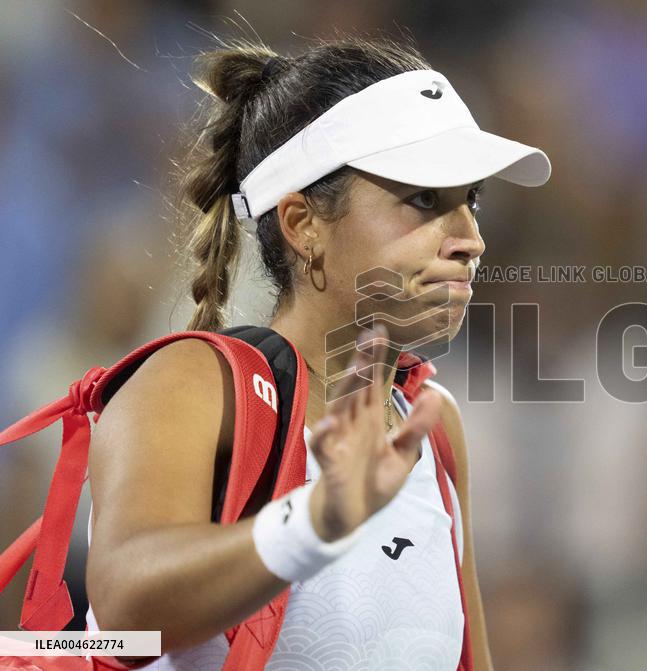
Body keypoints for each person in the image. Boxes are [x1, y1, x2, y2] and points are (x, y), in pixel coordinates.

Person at [83, 35, 551, 670]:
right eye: (423, 199)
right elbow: (120, 608)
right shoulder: (197, 382)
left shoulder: (434, 425)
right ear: (303, 224)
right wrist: (314, 522)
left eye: (471, 200)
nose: (470, 238)